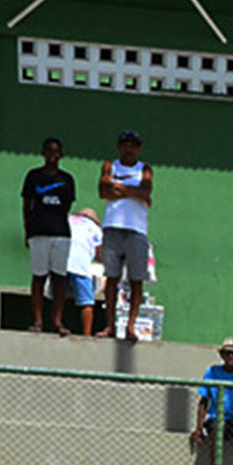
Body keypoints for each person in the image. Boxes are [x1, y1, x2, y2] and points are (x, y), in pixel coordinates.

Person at [97, 130, 153, 344]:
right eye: (125, 145)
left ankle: (130, 326)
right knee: (111, 278)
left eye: (133, 146)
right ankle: (110, 325)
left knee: (136, 280)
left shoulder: (144, 169)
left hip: (136, 230)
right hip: (112, 227)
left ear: (138, 149)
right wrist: (134, 192)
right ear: (119, 147)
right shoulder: (110, 166)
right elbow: (103, 191)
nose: (129, 149)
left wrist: (118, 187)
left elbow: (146, 191)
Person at [21, 137, 76, 335]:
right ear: (43, 153)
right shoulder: (33, 176)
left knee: (59, 277)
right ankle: (38, 321)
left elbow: (67, 206)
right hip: (38, 232)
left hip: (61, 233)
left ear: (61, 155)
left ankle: (57, 321)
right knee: (39, 276)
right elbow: (27, 205)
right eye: (49, 151)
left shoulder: (67, 179)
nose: (52, 155)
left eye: (56, 151)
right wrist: (28, 230)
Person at [63, 207, 101, 339]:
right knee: (87, 302)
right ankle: (87, 334)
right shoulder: (94, 228)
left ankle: (57, 326)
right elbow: (100, 255)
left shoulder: (67, 220)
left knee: (58, 298)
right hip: (81, 266)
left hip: (60, 264)